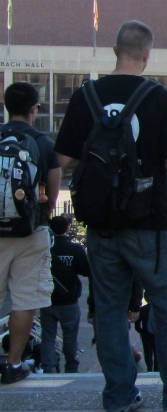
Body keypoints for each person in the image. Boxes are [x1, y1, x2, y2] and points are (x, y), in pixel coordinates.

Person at [55, 21, 167, 411]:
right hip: (150, 222)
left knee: (107, 312)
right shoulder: (159, 98)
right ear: (146, 55)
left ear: (114, 50)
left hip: (101, 225)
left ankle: (120, 396)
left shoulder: (85, 96)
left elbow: (64, 158)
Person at [0, 82, 61, 384]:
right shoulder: (45, 144)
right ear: (35, 108)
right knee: (25, 300)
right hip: (29, 232)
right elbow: (52, 195)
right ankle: (13, 363)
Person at [40, 216, 91, 374]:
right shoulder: (75, 249)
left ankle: (47, 367)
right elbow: (85, 270)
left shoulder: (44, 248)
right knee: (70, 336)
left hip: (47, 297)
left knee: (48, 335)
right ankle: (71, 366)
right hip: (69, 298)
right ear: (67, 228)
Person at [134, 294, 158, 372]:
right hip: (157, 335)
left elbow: (137, 326)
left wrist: (142, 332)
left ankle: (149, 370)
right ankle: (157, 370)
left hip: (146, 335)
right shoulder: (158, 309)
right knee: (157, 354)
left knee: (148, 354)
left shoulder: (142, 310)